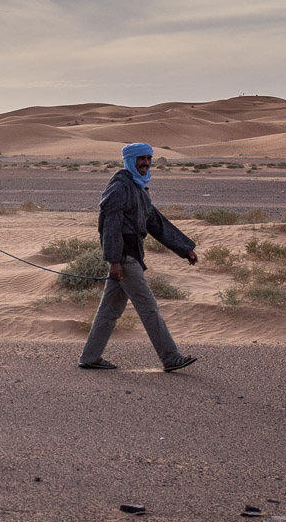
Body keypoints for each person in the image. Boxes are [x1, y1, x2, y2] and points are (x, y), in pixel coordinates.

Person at [78, 143, 199, 373]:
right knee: (149, 308)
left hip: (129, 256)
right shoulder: (120, 187)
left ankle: (90, 356)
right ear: (129, 161)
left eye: (147, 158)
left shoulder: (139, 187)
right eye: (140, 159)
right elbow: (109, 226)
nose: (144, 163)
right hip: (125, 258)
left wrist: (185, 249)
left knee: (109, 310)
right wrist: (114, 261)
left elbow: (155, 222)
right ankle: (171, 358)